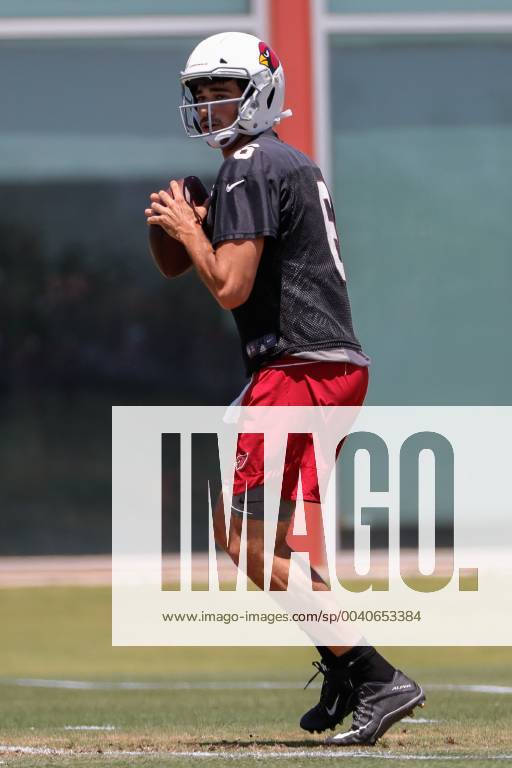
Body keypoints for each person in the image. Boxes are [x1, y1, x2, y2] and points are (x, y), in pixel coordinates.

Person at [145, 31, 424, 747]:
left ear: (260, 91)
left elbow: (227, 284)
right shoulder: (276, 161)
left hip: (297, 368)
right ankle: (347, 667)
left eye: (224, 92)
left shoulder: (250, 162)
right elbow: (182, 266)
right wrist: (187, 229)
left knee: (241, 538)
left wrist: (188, 227)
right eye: (202, 94)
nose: (211, 107)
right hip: (321, 367)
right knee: (260, 538)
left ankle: (373, 674)